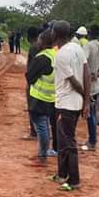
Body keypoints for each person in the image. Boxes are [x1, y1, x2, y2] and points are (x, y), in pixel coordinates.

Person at [50, 21, 89, 191]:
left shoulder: (61, 55)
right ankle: (61, 174)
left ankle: (74, 180)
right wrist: (86, 99)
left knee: (68, 142)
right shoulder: (77, 48)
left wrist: (86, 97)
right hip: (74, 103)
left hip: (66, 103)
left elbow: (74, 81)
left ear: (55, 34)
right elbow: (86, 73)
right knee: (64, 140)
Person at [26, 29, 57, 164]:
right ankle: (42, 153)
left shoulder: (42, 58)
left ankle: (42, 156)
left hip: (39, 97)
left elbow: (29, 76)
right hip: (52, 96)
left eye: (39, 39)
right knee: (45, 125)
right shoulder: (56, 54)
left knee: (41, 126)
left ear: (44, 42)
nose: (37, 41)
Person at [24, 26, 42, 140]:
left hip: (33, 81)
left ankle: (34, 132)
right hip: (42, 81)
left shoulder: (33, 48)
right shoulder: (42, 46)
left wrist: (29, 80)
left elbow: (31, 67)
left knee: (32, 106)